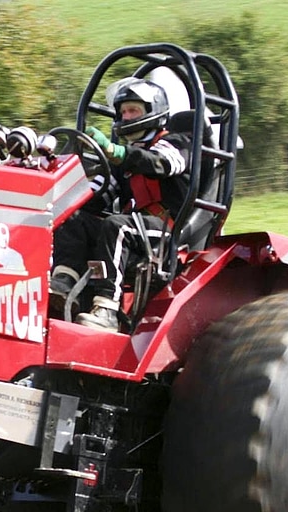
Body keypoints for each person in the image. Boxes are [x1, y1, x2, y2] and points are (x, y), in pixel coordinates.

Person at [68, 79, 194, 332]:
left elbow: (161, 163)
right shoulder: (120, 158)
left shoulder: (178, 142)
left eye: (133, 110)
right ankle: (62, 284)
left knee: (117, 227)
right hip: (137, 229)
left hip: (168, 230)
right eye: (123, 112)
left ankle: (107, 310)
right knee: (74, 218)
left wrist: (117, 152)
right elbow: (99, 194)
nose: (126, 117)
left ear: (153, 111)